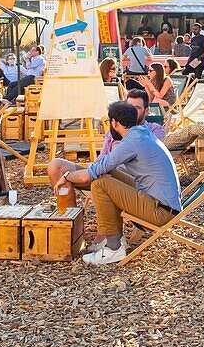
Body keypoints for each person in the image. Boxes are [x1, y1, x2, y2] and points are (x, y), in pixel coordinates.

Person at [49, 101, 182, 266]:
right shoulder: (142, 133)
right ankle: (114, 239)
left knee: (100, 184)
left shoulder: (132, 142)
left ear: (114, 122)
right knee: (108, 173)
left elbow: (89, 174)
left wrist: (67, 176)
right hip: (161, 202)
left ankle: (113, 248)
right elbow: (104, 166)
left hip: (160, 212)